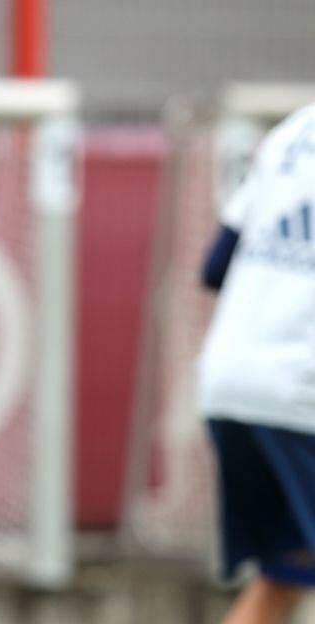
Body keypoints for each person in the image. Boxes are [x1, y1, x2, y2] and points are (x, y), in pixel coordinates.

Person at [199, 102, 315, 624]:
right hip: (300, 391)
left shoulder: (297, 129)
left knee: (286, 575)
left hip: (231, 379)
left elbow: (216, 265)